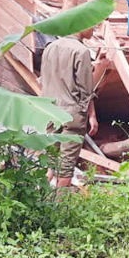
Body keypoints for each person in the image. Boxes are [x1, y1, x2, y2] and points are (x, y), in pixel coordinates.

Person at [42, 27, 97, 188]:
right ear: (82, 26)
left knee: (51, 161)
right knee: (66, 166)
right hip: (71, 114)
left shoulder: (50, 47)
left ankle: (41, 201)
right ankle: (59, 209)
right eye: (92, 25)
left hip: (50, 110)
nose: (93, 30)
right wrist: (92, 116)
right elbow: (86, 90)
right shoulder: (81, 51)